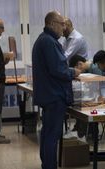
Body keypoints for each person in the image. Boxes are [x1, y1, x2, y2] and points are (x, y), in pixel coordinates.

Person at [32, 11, 81, 169]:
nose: (64, 27)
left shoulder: (44, 40)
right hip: (54, 96)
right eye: (62, 24)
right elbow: (58, 69)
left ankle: (46, 164)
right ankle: (49, 166)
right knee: (52, 135)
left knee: (47, 134)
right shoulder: (49, 42)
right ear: (52, 24)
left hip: (48, 95)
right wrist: (74, 72)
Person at [69, 54, 103, 138]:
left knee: (84, 113)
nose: (78, 72)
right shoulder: (88, 69)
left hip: (97, 101)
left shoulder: (94, 69)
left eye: (76, 69)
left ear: (79, 64)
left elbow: (100, 86)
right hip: (90, 100)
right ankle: (82, 135)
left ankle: (87, 134)